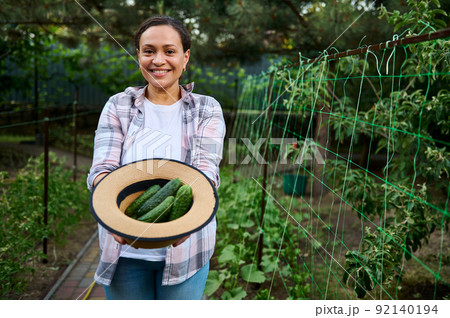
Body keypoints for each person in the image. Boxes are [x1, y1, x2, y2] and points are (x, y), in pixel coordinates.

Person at [86, 15, 225, 300]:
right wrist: (114, 217)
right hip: (122, 251)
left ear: (185, 58)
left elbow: (205, 172)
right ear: (138, 55)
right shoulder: (118, 105)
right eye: (149, 51)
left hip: (188, 252)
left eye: (169, 51)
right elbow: (102, 169)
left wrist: (189, 221)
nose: (158, 60)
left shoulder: (207, 109)